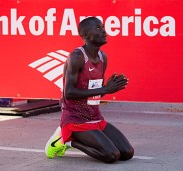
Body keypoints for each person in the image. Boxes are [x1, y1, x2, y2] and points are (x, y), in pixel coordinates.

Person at [45, 17, 134, 163]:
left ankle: (72, 139)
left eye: (103, 27)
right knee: (111, 156)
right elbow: (69, 93)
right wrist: (104, 88)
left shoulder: (103, 57)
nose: (104, 31)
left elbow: (96, 93)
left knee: (127, 153)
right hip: (75, 119)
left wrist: (108, 89)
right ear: (86, 35)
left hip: (95, 117)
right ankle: (67, 140)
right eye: (98, 28)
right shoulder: (77, 56)